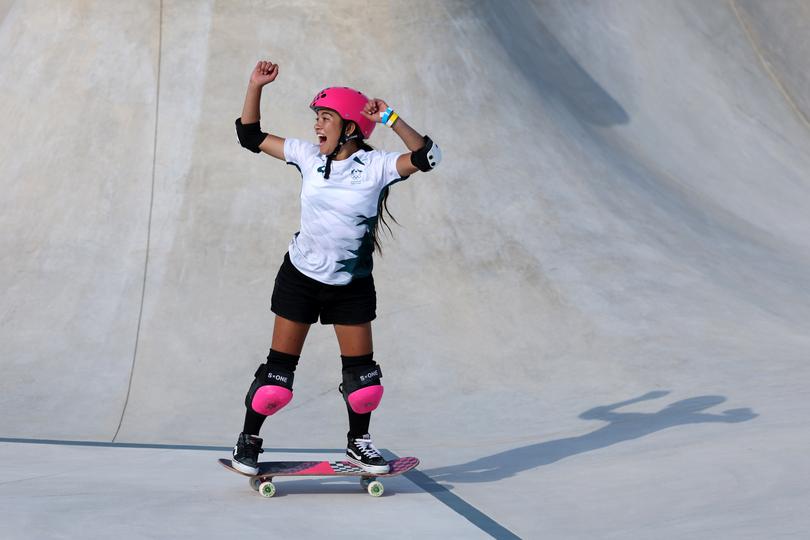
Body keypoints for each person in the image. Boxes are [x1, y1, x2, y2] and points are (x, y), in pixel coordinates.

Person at [230, 60, 442, 475]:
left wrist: (389, 117)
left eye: (325, 118)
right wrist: (255, 85)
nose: (316, 127)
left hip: (351, 284)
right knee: (275, 380)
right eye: (316, 118)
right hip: (301, 279)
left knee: (365, 384)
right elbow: (249, 135)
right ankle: (249, 440)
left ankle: (358, 443)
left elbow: (427, 155)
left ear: (350, 128)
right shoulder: (308, 156)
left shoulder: (378, 166)